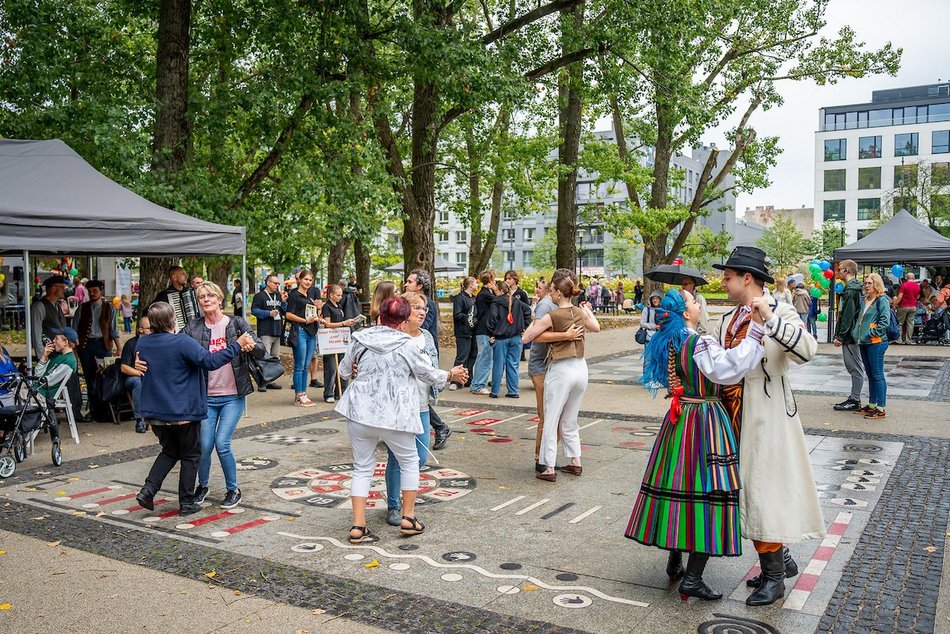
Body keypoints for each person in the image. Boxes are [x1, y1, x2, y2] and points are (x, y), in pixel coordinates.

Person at [626, 289, 767, 601]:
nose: (698, 304)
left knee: (680, 488)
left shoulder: (669, 340)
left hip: (680, 419)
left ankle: (675, 560)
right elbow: (729, 369)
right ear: (686, 313)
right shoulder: (698, 341)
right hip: (705, 417)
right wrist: (755, 332)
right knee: (709, 491)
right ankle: (693, 577)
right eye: (693, 302)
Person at [711, 246, 823, 607]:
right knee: (748, 491)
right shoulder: (728, 317)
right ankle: (779, 561)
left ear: (747, 278)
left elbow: (806, 350)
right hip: (730, 416)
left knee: (762, 491)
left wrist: (771, 321)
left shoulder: (782, 310)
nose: (722, 282)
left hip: (766, 415)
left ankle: (775, 576)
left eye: (727, 277)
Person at [335, 296, 468, 543]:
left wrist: (355, 370)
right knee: (409, 462)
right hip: (394, 414)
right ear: (404, 318)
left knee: (362, 467)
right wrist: (451, 374)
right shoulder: (407, 345)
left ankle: (358, 525)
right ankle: (408, 518)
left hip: (360, 412)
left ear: (381, 315)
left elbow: (343, 371)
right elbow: (427, 374)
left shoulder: (360, 339)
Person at [134, 302, 256, 516]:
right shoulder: (181, 342)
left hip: (154, 413)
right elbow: (210, 361)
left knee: (170, 451)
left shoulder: (143, 343)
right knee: (191, 455)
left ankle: (148, 490)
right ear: (173, 320)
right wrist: (236, 345)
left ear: (151, 323)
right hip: (181, 411)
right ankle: (187, 502)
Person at [185, 281, 265, 510]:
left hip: (232, 395)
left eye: (210, 295)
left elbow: (261, 350)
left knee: (222, 443)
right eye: (202, 297)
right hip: (207, 396)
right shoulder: (193, 328)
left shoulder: (237, 323)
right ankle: (203, 486)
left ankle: (233, 489)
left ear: (220, 299)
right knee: (204, 444)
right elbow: (179, 349)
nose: (206, 300)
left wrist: (251, 346)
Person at [522, 269, 599, 482]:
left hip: (561, 368)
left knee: (551, 417)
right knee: (570, 418)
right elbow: (596, 327)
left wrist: (552, 330)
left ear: (557, 292)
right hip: (581, 368)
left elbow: (527, 337)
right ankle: (576, 461)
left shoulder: (552, 315)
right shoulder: (579, 312)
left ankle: (548, 467)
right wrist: (587, 311)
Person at [381, 292, 444, 527]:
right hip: (398, 407)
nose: (422, 312)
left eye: (424, 308)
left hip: (421, 405)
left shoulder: (426, 336)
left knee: (420, 457)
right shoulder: (394, 338)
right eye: (416, 307)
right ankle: (395, 505)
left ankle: (403, 496)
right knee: (397, 458)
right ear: (404, 311)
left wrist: (441, 382)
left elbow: (431, 368)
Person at [404, 269, 451, 449]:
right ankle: (438, 427)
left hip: (423, 354)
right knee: (415, 394)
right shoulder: (408, 303)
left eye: (410, 281)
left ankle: (440, 427)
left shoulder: (426, 304)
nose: (406, 284)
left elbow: (425, 330)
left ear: (420, 286)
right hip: (415, 352)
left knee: (420, 395)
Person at [75, 280, 121, 421]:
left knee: (104, 378)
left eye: (95, 290)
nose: (92, 293)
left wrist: (119, 347)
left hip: (103, 345)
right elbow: (75, 330)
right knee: (90, 379)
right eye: (90, 291)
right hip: (86, 346)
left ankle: (105, 410)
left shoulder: (109, 307)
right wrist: (75, 349)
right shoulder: (82, 308)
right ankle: (94, 411)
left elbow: (113, 330)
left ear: (101, 291)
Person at [487, 280, 531, 399]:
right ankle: (513, 390)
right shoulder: (517, 302)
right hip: (516, 337)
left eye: (495, 290)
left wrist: (491, 333)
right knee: (513, 364)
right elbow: (528, 311)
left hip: (500, 338)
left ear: (500, 290)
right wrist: (524, 327)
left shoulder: (495, 303)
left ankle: (495, 391)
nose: (494, 292)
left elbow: (492, 319)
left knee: (498, 365)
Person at [854, 273, 890, 420]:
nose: (867, 286)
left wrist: (871, 332)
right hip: (864, 341)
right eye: (866, 283)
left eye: (870, 283)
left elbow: (884, 321)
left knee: (877, 375)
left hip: (876, 341)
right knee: (870, 375)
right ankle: (872, 404)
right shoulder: (865, 300)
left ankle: (881, 408)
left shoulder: (882, 300)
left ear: (876, 285)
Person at [285, 270, 322, 406]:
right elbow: (288, 314)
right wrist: (304, 321)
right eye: (305, 279)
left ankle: (303, 393)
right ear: (299, 280)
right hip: (300, 330)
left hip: (311, 332)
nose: (308, 282)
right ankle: (299, 394)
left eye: (310, 280)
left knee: (306, 365)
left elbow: (313, 314)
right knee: (299, 365)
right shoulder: (294, 295)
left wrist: (318, 311)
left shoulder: (311, 295)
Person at [832, 260, 865, 412]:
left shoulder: (851, 290)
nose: (837, 272)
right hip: (851, 334)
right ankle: (854, 398)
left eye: (840, 269)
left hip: (851, 335)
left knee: (854, 366)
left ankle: (855, 399)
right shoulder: (852, 288)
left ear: (847, 271)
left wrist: (841, 336)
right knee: (853, 366)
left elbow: (847, 316)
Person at [321, 284, 358, 403]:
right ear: (331, 295)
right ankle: (328, 393)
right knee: (331, 367)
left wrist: (348, 323)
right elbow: (327, 324)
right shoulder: (327, 306)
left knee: (342, 365)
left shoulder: (339, 306)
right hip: (330, 340)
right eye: (338, 295)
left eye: (341, 295)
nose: (340, 297)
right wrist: (343, 323)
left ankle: (341, 391)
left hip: (341, 339)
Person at [251, 274, 287, 391]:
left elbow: (285, 311)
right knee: (264, 357)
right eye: (275, 283)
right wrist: (267, 314)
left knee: (275, 357)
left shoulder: (278, 296)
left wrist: (284, 302)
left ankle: (271, 380)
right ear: (268, 283)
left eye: (278, 284)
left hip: (277, 330)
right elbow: (254, 310)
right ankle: (263, 382)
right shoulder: (260, 296)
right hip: (266, 330)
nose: (277, 285)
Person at [119, 316, 151, 432]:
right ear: (140, 330)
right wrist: (140, 373)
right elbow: (124, 367)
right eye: (148, 328)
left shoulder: (156, 342)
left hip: (152, 378)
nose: (152, 330)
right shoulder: (131, 344)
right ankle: (139, 420)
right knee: (138, 383)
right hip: (133, 378)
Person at [35, 326, 79, 402]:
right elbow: (38, 373)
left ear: (65, 342)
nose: (53, 340)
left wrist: (35, 381)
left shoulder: (69, 361)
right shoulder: (57, 356)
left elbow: (48, 382)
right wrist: (44, 356)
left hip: (42, 394)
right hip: (36, 390)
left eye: (56, 338)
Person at [470, 270, 496, 396]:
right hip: (483, 330)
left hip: (482, 329)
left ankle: (477, 383)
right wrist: (496, 290)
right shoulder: (485, 294)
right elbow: (500, 301)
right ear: (491, 280)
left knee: (484, 357)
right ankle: (478, 385)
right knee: (484, 358)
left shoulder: (484, 293)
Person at [30, 275, 67, 360]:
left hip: (60, 351)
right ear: (53, 288)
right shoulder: (39, 306)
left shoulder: (57, 305)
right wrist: (42, 356)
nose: (64, 290)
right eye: (61, 287)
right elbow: (36, 332)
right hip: (49, 353)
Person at [450, 277, 478, 390]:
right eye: (476, 283)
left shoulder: (474, 298)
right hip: (463, 331)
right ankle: (455, 380)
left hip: (473, 331)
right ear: (470, 285)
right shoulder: (460, 298)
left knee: (472, 355)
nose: (477, 285)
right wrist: (469, 317)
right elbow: (457, 314)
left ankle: (468, 378)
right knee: (462, 356)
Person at [153, 265, 199, 331]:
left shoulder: (191, 292)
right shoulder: (164, 295)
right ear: (174, 277)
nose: (186, 276)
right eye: (183, 274)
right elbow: (150, 312)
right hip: (175, 332)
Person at [892, 271, 919, 344]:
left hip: (903, 306)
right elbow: (918, 296)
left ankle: (899, 339)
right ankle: (908, 340)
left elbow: (900, 297)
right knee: (910, 323)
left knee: (899, 323)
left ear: (907, 278)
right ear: (913, 278)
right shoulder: (917, 286)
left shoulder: (904, 285)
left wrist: (894, 304)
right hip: (913, 306)